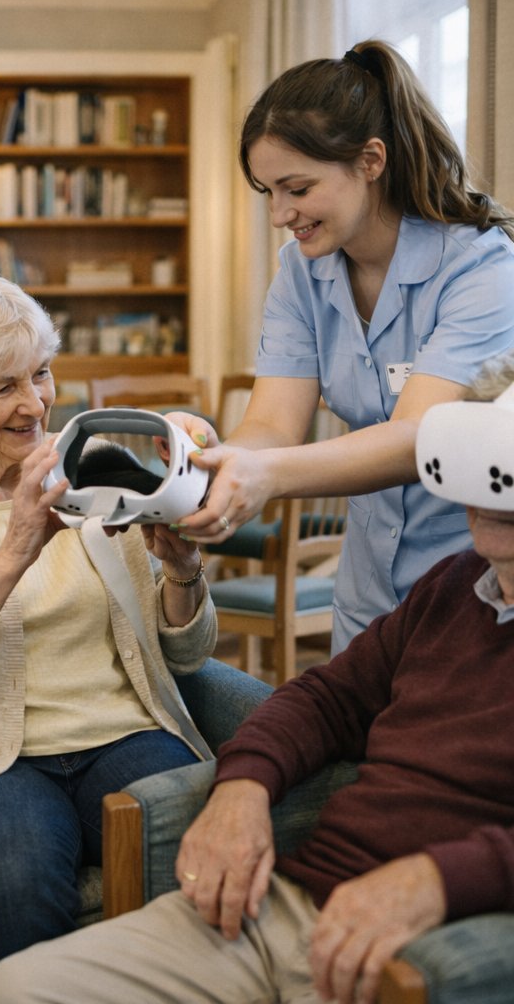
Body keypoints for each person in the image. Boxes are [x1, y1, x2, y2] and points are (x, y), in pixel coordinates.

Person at [0, 353, 514, 1004]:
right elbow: (327, 697)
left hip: (411, 952)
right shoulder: (452, 589)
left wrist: (438, 880)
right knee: (15, 988)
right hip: (279, 907)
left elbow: (185, 647)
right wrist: (244, 785)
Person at [0, 273, 218, 983]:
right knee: (16, 888)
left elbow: (185, 654)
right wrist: (15, 549)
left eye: (42, 374)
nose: (36, 404)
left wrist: (182, 573)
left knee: (202, 856)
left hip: (125, 733)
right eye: (3, 388)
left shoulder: (101, 469)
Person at [173, 39, 514, 653]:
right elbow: (273, 425)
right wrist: (210, 458)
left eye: (297, 189)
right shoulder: (302, 275)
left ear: (371, 160)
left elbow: (419, 438)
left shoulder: (480, 267)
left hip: (477, 587)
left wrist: (263, 473)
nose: (281, 213)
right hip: (367, 595)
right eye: (269, 192)